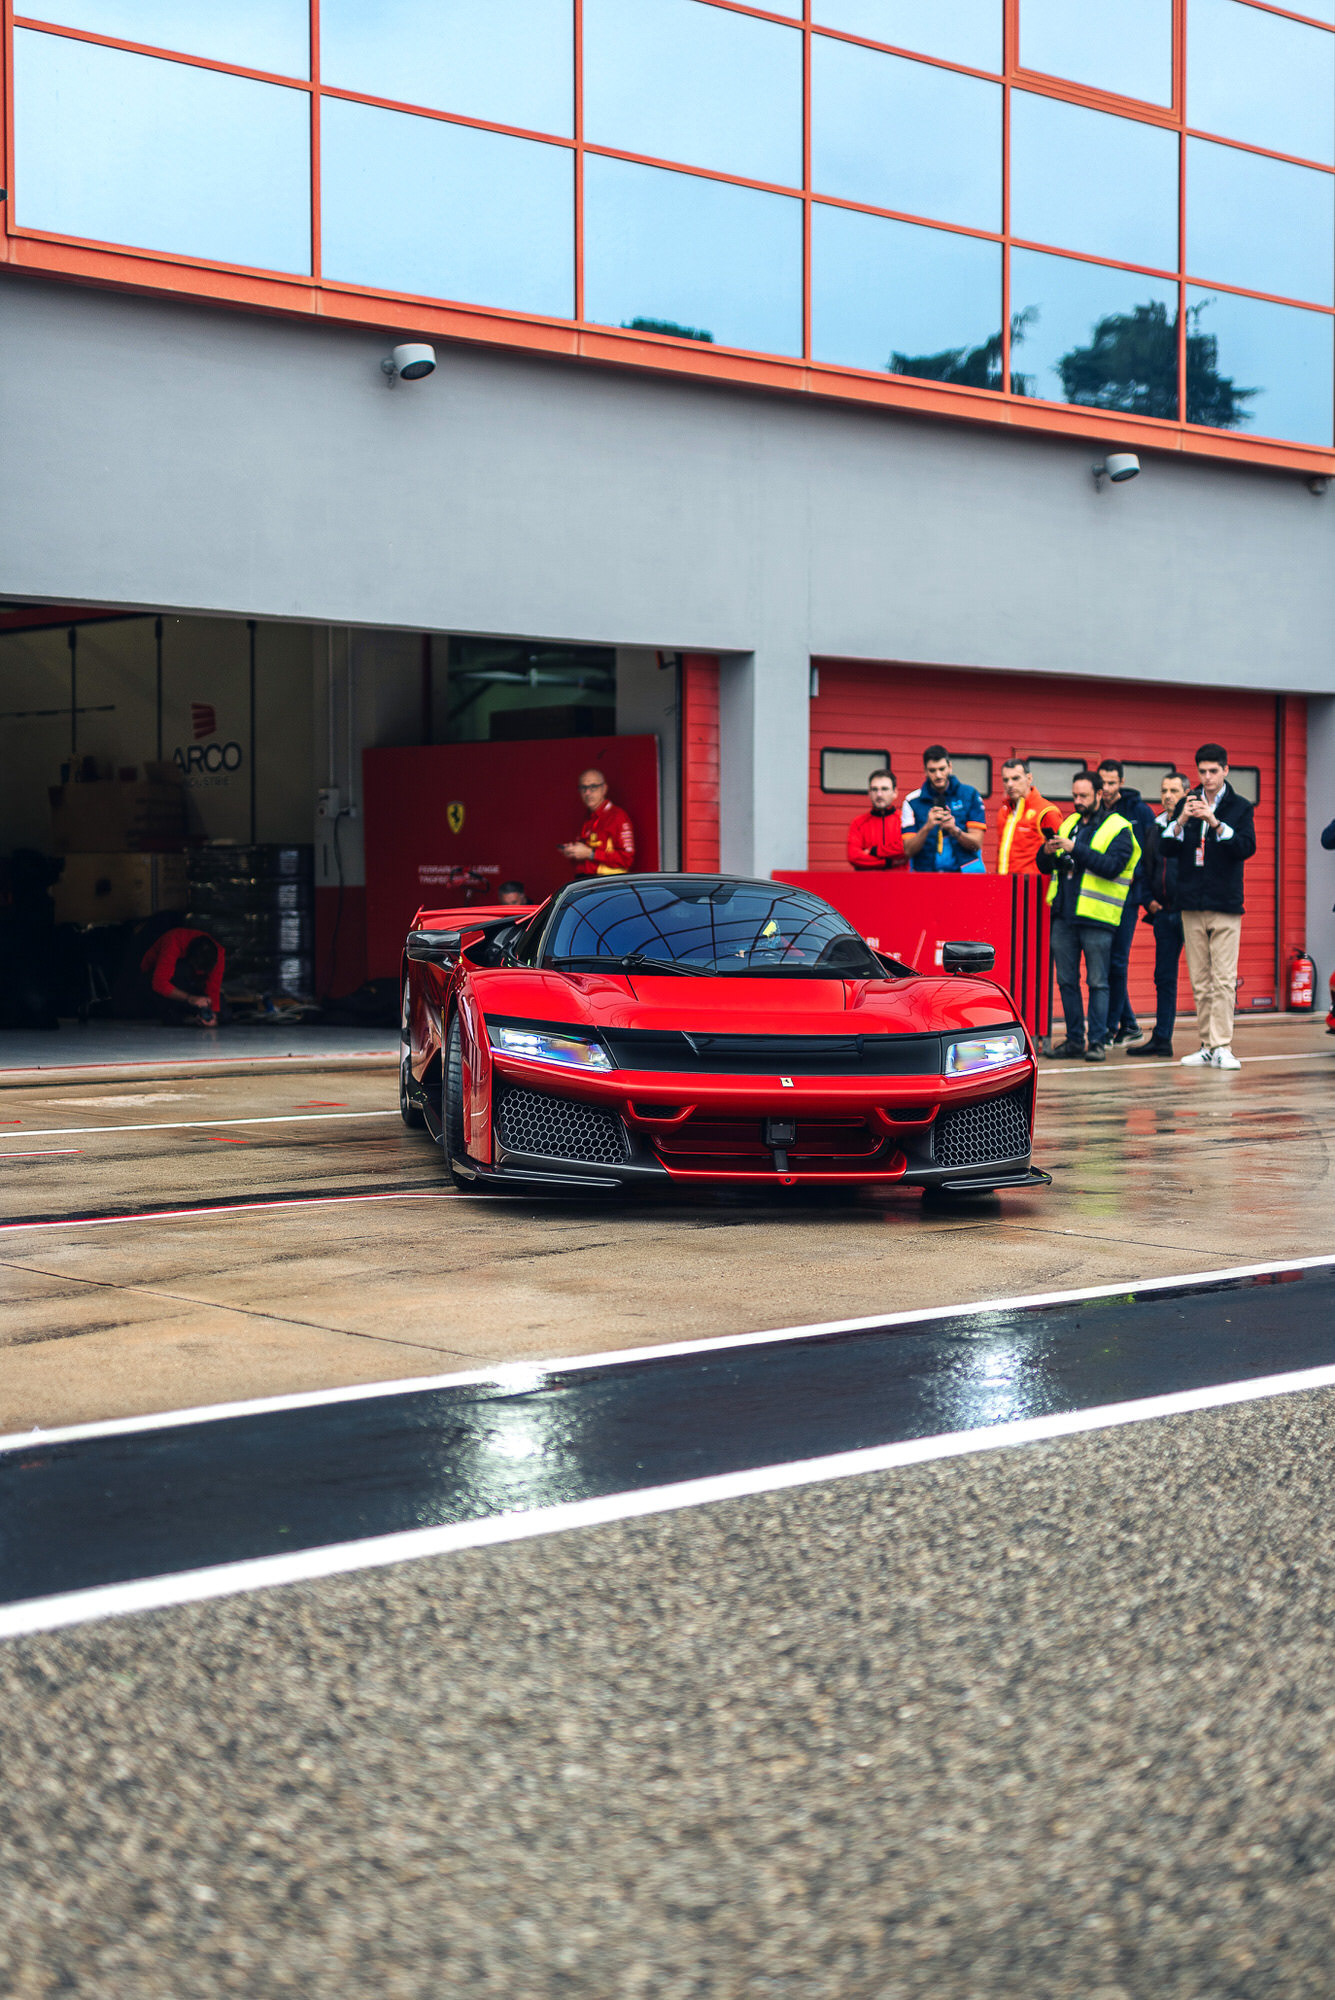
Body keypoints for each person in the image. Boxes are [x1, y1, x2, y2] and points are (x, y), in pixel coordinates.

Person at [1161, 743, 1256, 1069]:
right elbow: (1165, 848)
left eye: (1214, 771)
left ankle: (1222, 1045)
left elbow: (1245, 847)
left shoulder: (1239, 807)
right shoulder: (1188, 802)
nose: (1208, 777)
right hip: (1191, 902)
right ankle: (1206, 1045)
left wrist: (1215, 822)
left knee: (1224, 979)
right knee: (1200, 980)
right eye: (1202, 771)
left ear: (1225, 770)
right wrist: (1181, 820)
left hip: (1225, 903)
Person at [1036, 771, 1140, 1062]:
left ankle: (1096, 1041)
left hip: (1097, 917)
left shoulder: (1119, 827)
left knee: (1097, 982)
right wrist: (1047, 851)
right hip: (1064, 915)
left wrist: (1076, 848)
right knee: (1066, 981)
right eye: (1075, 796)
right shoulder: (1069, 823)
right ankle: (1073, 1040)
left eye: (1083, 796)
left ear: (1099, 794)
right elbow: (1045, 866)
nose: (1078, 801)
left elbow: (1112, 866)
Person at [1096, 759, 1158, 1046]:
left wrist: (1142, 886)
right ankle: (1129, 1024)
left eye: (1112, 783)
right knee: (1106, 964)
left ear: (1121, 782)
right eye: (1103, 783)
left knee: (1117, 962)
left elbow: (1150, 853)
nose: (1107, 788)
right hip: (1098, 898)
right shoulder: (1095, 810)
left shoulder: (1139, 812)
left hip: (1127, 900)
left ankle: (1110, 1028)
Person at [1128, 772, 1188, 1058]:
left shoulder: (1195, 826)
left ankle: (1214, 1043)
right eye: (1164, 790)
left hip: (1191, 913)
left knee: (1207, 979)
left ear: (1186, 793)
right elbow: (1143, 868)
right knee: (1163, 977)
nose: (1168, 796)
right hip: (1163, 914)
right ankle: (1162, 1038)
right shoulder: (1155, 827)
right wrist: (1148, 901)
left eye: (1174, 790)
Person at [901, 746, 986, 873]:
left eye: (942, 769)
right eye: (932, 770)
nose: (938, 775)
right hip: (926, 874)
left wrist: (954, 830)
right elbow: (908, 851)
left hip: (965, 873)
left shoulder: (970, 795)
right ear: (925, 771)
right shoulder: (912, 801)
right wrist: (927, 827)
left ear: (950, 767)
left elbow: (977, 843)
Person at [134, 927, 225, 1026]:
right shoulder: (173, 941)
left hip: (189, 988)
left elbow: (213, 988)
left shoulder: (218, 953)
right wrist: (189, 998)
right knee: (182, 969)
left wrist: (212, 1014)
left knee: (224, 1014)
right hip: (157, 985)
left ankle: (191, 1017)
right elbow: (159, 984)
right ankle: (176, 1014)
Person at [559, 769, 636, 877]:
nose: (587, 793)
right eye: (583, 788)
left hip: (606, 881)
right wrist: (574, 851)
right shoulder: (588, 818)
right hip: (584, 879)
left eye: (593, 787)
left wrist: (590, 853)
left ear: (604, 788)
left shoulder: (617, 816)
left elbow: (626, 859)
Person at [996, 758, 1063, 875]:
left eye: (1015, 778)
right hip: (1005, 882)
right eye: (1006, 780)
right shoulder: (1004, 812)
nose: (1010, 784)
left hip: (1033, 883)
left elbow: (1060, 851)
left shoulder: (1046, 811)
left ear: (1029, 778)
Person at [847, 769, 906, 870]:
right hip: (868, 880)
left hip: (900, 879)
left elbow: (907, 848)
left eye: (884, 789)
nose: (879, 794)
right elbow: (854, 856)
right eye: (874, 789)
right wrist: (888, 863)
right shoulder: (858, 823)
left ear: (895, 792)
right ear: (869, 793)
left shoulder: (905, 819)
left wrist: (874, 851)